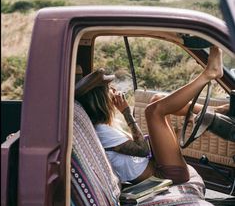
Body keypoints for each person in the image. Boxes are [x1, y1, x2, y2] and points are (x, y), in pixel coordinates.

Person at [75, 46, 224, 185]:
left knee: (157, 99)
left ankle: (214, 112)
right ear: (100, 100)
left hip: (155, 163)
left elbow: (139, 148)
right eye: (109, 89)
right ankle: (208, 74)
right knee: (153, 111)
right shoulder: (102, 132)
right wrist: (126, 112)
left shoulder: (104, 126)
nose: (114, 90)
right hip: (164, 175)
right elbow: (143, 150)